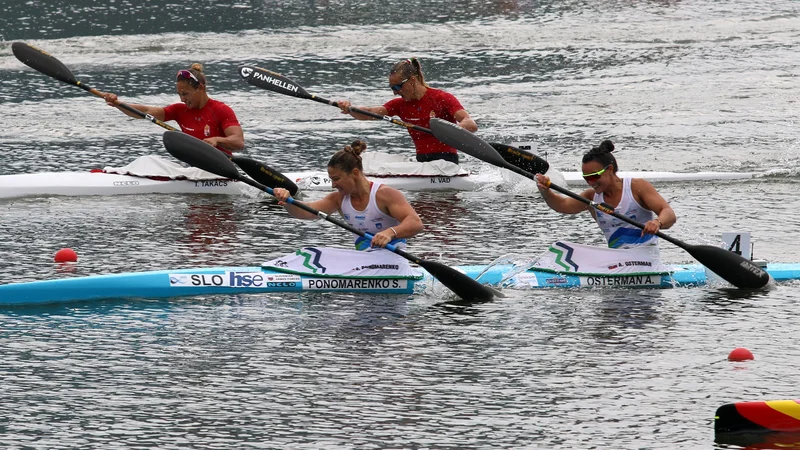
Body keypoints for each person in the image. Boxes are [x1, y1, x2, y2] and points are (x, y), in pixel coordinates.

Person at [273, 140, 424, 250]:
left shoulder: (385, 194)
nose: (333, 185)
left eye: (336, 179)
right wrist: (289, 201)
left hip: (393, 261)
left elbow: (416, 223)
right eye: (331, 180)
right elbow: (307, 212)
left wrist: (390, 233)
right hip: (364, 261)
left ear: (355, 173)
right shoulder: (338, 199)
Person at [535, 140, 677, 250]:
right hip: (616, 260)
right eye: (586, 178)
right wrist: (545, 190)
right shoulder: (591, 198)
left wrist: (657, 222)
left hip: (646, 259)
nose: (591, 183)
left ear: (609, 169)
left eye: (594, 177)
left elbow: (669, 214)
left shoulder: (636, 187)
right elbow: (562, 205)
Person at [336, 58, 477, 165]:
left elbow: (470, 124)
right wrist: (350, 109)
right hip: (422, 162)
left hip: (446, 163)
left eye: (398, 87)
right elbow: (369, 113)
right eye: (392, 88)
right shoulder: (400, 105)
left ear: (412, 80)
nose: (395, 93)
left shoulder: (441, 98)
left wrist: (449, 131)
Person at [102, 64, 244, 154]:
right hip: (194, 170)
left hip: (221, 170)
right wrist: (118, 103)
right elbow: (144, 111)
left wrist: (217, 140)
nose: (182, 99)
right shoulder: (179, 110)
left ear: (200, 88)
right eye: (179, 94)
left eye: (185, 94)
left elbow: (238, 142)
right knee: (149, 161)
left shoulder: (221, 110)